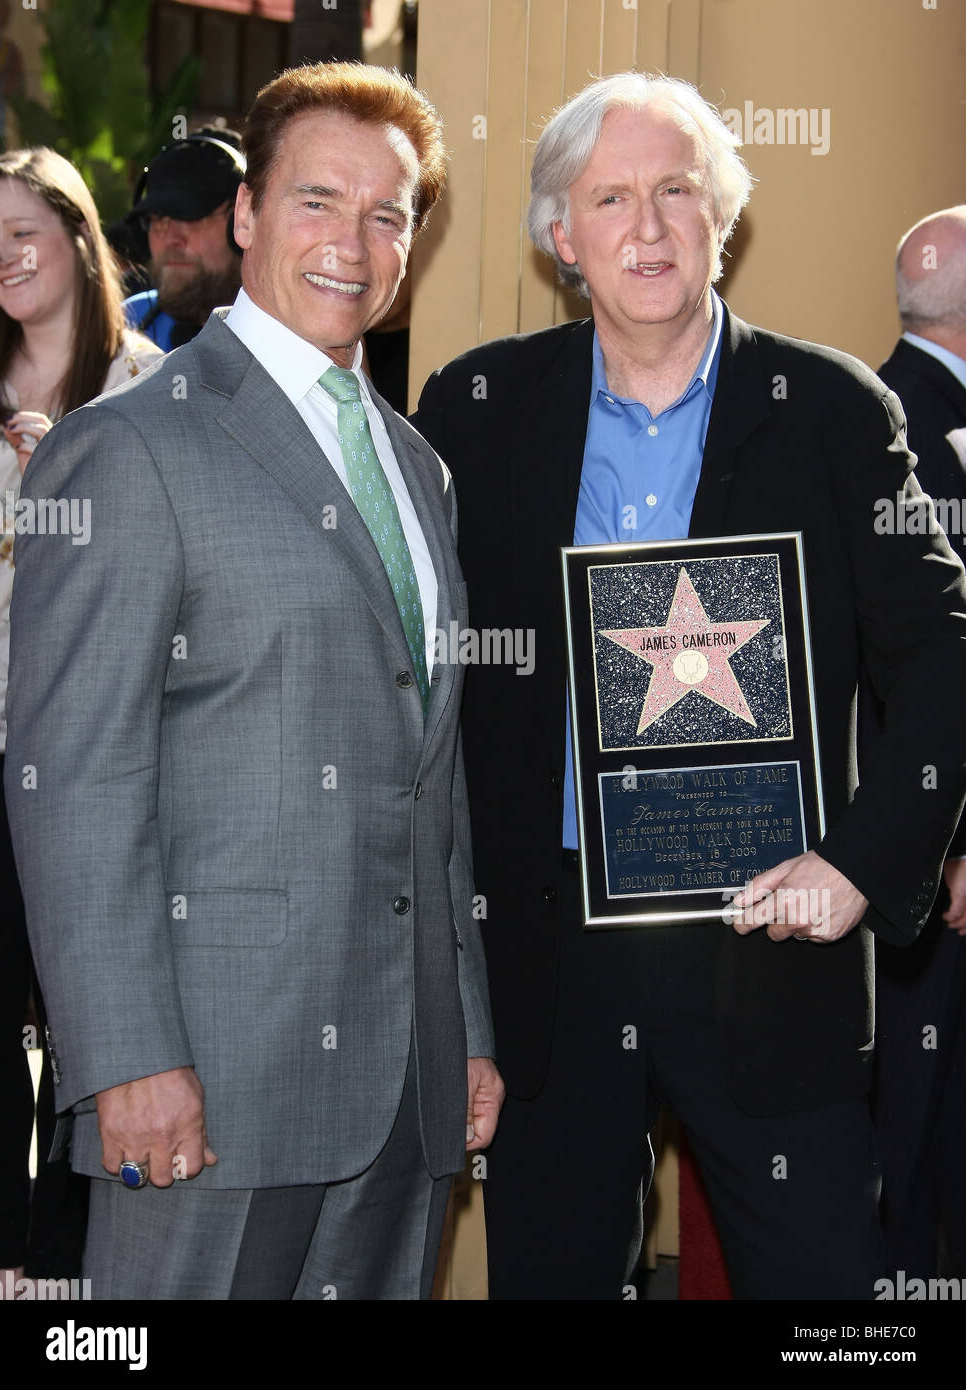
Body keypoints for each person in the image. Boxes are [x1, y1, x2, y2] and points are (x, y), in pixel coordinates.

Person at [412, 72, 966, 1300]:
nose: (648, 227)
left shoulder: (832, 410)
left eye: (677, 191)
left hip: (772, 940)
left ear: (724, 215)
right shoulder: (477, 410)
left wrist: (864, 863)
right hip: (550, 961)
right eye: (610, 197)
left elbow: (945, 654)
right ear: (564, 236)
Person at [5, 62, 502, 1302]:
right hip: (209, 1082)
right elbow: (75, 776)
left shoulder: (420, 468)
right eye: (318, 201)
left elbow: (431, 784)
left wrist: (468, 1033)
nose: (354, 242)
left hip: (403, 1090)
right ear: (246, 216)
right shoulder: (125, 446)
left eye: (389, 215)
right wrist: (123, 1057)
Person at [0, 145, 161, 1294]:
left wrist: (74, 485)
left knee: (91, 1017)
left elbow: (180, 576)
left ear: (77, 241)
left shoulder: (152, 390)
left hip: (102, 759)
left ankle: (69, 1269)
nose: (2, 253)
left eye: (21, 227)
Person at [872, 206, 966, 1281]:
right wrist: (944, 837)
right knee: (912, 1126)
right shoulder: (907, 422)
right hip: (927, 866)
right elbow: (921, 666)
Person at [121, 127, 245, 350]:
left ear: (242, 220)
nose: (171, 239)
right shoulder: (127, 324)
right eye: (157, 219)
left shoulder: (300, 336)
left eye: (190, 217)